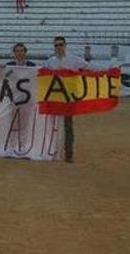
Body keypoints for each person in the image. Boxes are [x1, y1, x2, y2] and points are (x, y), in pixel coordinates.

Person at [45, 36, 88, 164]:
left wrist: (108, 71)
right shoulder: (50, 61)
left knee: (68, 125)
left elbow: (89, 67)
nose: (58, 47)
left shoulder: (73, 59)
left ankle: (68, 153)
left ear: (65, 45)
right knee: (52, 125)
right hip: (54, 97)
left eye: (60, 45)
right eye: (56, 45)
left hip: (68, 96)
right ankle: (51, 150)